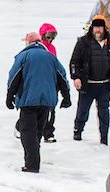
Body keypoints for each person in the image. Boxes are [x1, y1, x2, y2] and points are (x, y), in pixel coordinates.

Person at [6, 31, 71, 173]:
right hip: (47, 101)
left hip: (28, 101)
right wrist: (66, 97)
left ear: (29, 42)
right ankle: (34, 161)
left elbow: (14, 77)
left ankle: (32, 165)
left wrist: (10, 96)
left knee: (27, 132)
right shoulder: (51, 57)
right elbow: (62, 77)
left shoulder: (23, 56)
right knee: (37, 132)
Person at [69, 15, 110, 143]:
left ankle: (105, 137)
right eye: (95, 27)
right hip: (88, 85)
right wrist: (76, 77)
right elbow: (74, 62)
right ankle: (78, 130)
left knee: (104, 112)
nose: (98, 30)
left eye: (100, 27)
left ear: (104, 28)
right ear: (92, 28)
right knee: (83, 110)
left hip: (105, 85)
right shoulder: (83, 42)